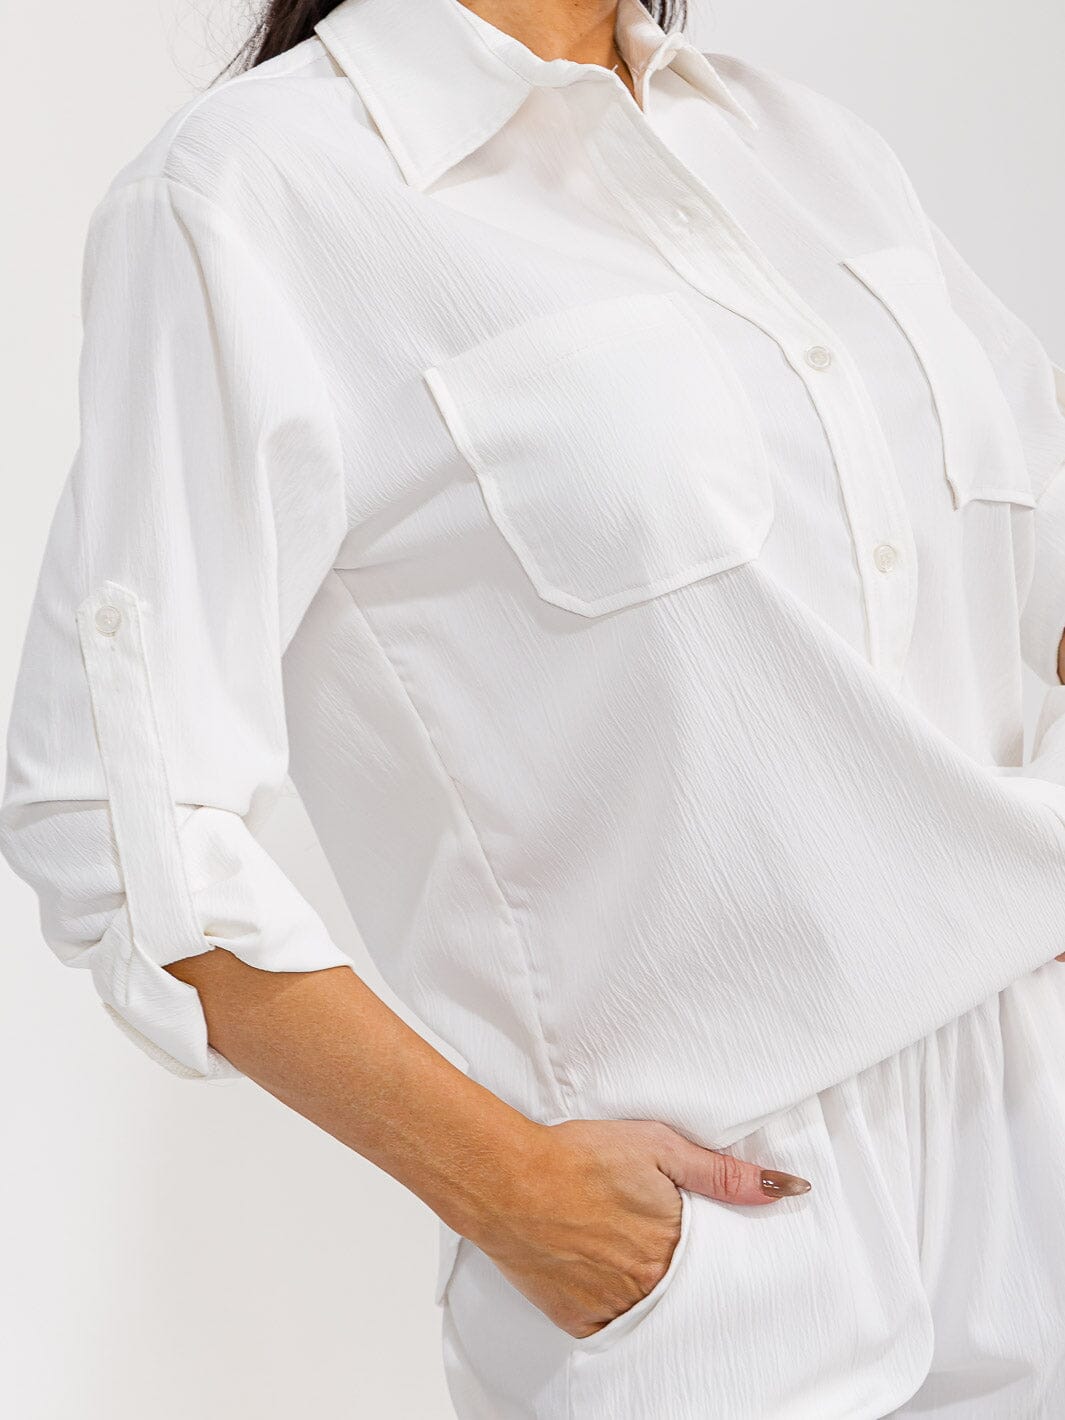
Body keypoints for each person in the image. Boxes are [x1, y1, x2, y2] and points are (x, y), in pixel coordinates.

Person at [3, 0, 1065, 1412]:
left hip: (1034, 1154)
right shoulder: (257, 190)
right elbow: (110, 811)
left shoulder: (809, 152)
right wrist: (511, 1189)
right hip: (724, 1251)